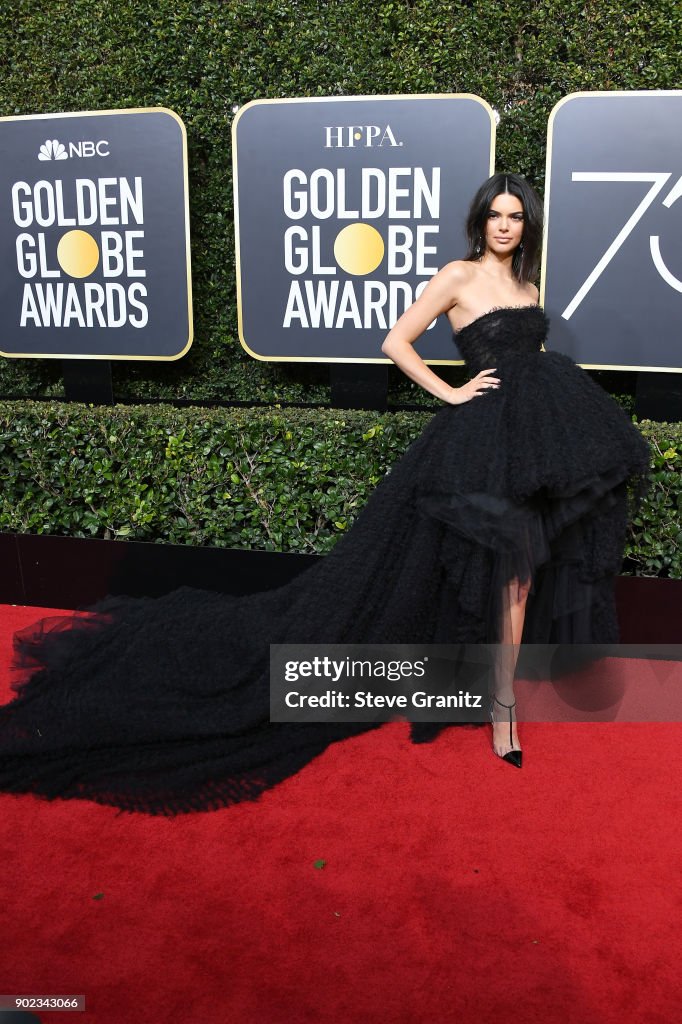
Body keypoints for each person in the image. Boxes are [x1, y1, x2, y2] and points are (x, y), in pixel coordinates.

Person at [0, 173, 651, 814]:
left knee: (520, 576)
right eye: (496, 215)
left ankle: (497, 706)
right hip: (478, 446)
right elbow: (396, 341)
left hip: (534, 444)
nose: (505, 226)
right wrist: (451, 391)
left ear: (525, 225)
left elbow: (529, 361)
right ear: (481, 221)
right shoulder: (457, 276)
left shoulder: (527, 284)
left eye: (515, 217)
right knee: (490, 568)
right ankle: (498, 706)